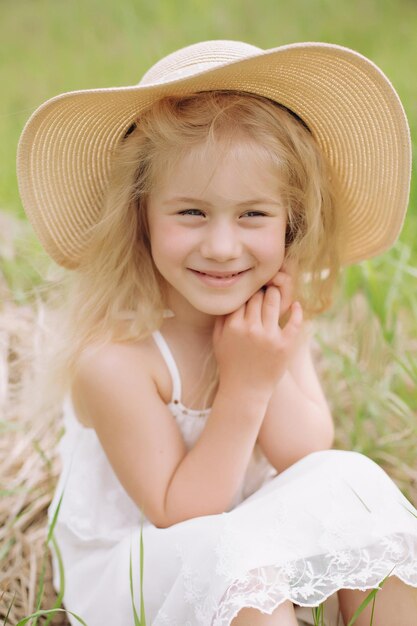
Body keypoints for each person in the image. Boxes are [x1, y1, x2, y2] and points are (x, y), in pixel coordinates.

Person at [17, 40, 417, 626]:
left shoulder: (270, 321)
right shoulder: (116, 358)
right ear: (141, 218)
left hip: (240, 540)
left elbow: (307, 457)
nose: (223, 247)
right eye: (191, 213)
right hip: (138, 571)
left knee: (353, 482)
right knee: (241, 566)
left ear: (291, 224)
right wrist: (246, 387)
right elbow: (183, 515)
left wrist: (264, 363)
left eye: (254, 215)